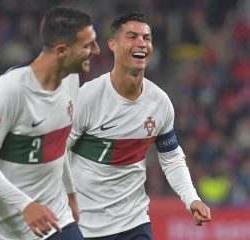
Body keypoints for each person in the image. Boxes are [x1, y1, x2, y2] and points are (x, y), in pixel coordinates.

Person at [68, 12, 211, 239]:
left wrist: (191, 197)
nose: (141, 43)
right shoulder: (87, 98)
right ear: (113, 44)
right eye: (132, 36)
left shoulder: (160, 103)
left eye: (146, 38)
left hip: (134, 223)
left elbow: (171, 158)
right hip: (85, 225)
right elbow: (58, 155)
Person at [0, 6, 100, 240]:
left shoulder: (71, 79)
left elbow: (58, 144)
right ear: (62, 50)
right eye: (88, 45)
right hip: (4, 227)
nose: (96, 51)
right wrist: (25, 204)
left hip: (53, 216)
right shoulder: (12, 89)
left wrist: (70, 193)